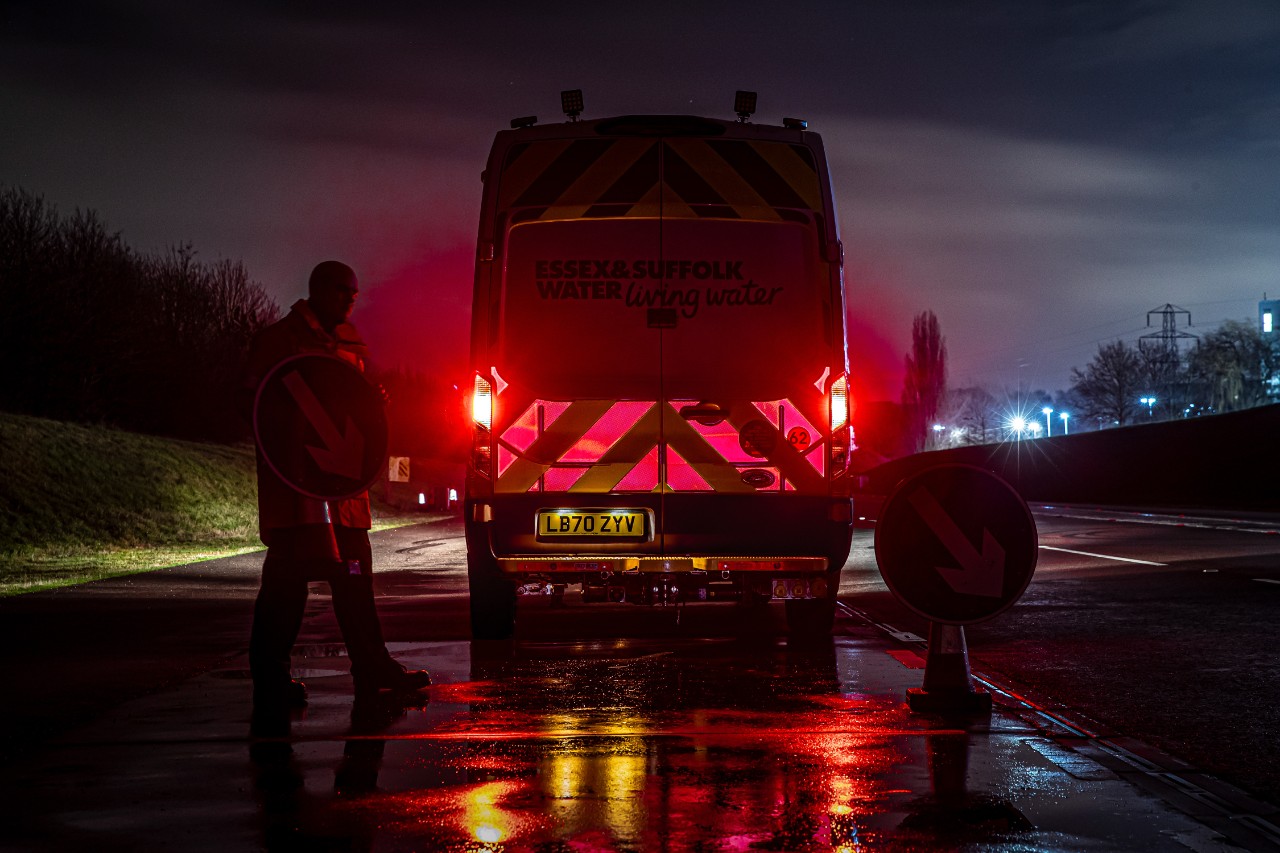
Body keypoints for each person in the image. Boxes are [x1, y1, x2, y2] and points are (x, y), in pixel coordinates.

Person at [242, 260, 430, 711]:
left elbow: (349, 408)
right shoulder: (280, 342)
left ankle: (372, 666)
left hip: (343, 494)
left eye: (355, 291)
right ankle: (269, 677)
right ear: (320, 290)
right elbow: (267, 409)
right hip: (299, 495)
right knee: (286, 585)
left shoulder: (348, 345)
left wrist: (373, 399)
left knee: (354, 579)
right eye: (344, 290)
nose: (351, 298)